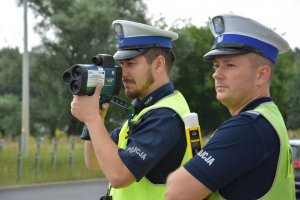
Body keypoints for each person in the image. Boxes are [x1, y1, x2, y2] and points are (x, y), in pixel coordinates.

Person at [165, 14, 296, 200]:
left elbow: (175, 193)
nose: (217, 74)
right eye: (216, 66)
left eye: (230, 65)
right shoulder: (269, 117)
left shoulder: (248, 128)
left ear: (261, 75)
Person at [70, 20, 191, 200]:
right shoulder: (145, 111)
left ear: (158, 65)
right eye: (122, 64)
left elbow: (119, 175)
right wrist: (95, 118)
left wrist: (92, 119)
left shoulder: (165, 115)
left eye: (131, 64)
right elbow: (94, 162)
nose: (123, 73)